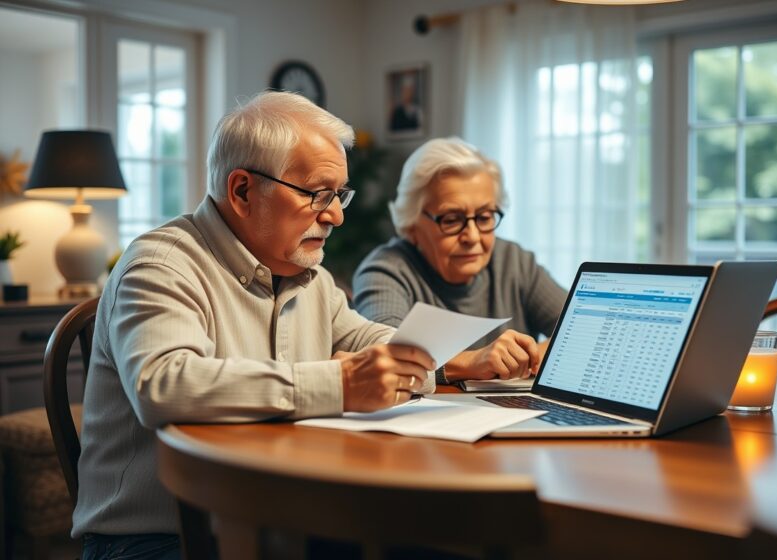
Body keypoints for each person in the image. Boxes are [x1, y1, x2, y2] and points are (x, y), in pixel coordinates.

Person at [72, 91, 435, 559]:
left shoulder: (311, 277)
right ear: (242, 190)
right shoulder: (160, 264)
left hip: (280, 521)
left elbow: (372, 341)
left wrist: (425, 360)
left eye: (340, 194)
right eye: (317, 194)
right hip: (156, 540)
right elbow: (161, 384)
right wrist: (342, 383)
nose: (336, 215)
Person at [353, 137, 568, 385]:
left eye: (485, 217)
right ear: (411, 224)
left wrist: (523, 359)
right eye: (452, 219)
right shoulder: (385, 270)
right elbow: (387, 358)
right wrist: (474, 362)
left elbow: (577, 333)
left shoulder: (514, 261)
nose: (473, 237)